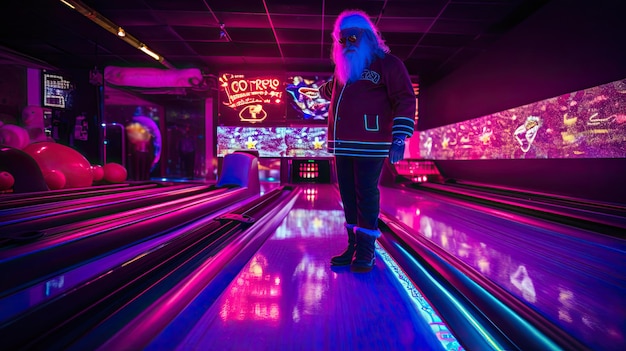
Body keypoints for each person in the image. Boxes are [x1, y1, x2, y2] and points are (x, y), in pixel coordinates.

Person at [318, 9, 416, 272]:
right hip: (342, 144)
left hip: (371, 142)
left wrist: (399, 137)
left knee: (366, 194)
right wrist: (319, 89)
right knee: (348, 196)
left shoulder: (389, 64)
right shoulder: (345, 69)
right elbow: (332, 91)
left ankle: (366, 251)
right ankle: (353, 246)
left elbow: (405, 99)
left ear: (368, 37)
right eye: (343, 39)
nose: (348, 43)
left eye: (354, 38)